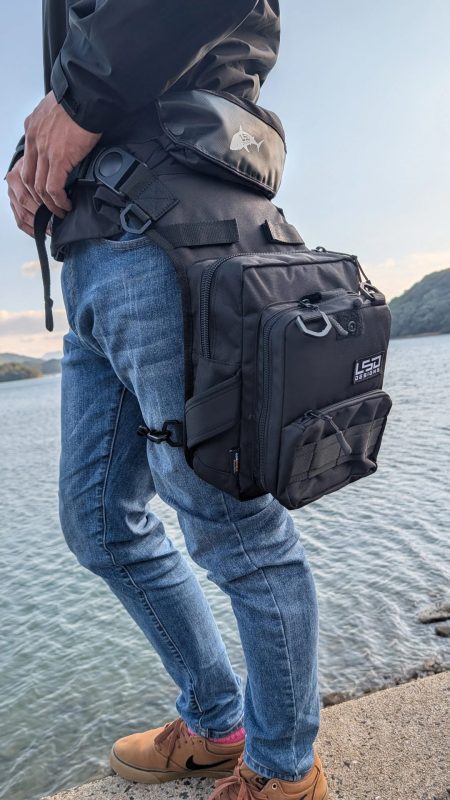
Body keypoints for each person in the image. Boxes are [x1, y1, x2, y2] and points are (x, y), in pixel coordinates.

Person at [6, 3, 329, 799]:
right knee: (99, 521)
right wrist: (33, 153)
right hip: (98, 252)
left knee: (236, 529)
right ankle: (218, 722)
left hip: (169, 224)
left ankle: (284, 771)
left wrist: (78, 98)